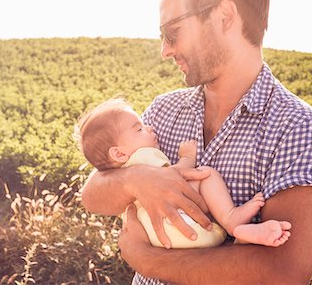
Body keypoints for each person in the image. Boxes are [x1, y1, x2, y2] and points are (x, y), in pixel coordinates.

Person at [81, 0, 312, 283]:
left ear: (225, 16)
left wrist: (146, 259)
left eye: (172, 31)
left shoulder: (299, 127)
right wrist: (135, 179)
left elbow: (282, 271)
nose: (165, 50)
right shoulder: (163, 110)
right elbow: (92, 195)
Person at [76, 99, 291, 248]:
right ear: (119, 153)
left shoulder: (119, 169)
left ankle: (241, 238)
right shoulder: (144, 157)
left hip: (162, 241)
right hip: (184, 229)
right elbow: (174, 177)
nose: (150, 128)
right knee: (206, 175)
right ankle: (232, 220)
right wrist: (187, 157)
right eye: (139, 129)